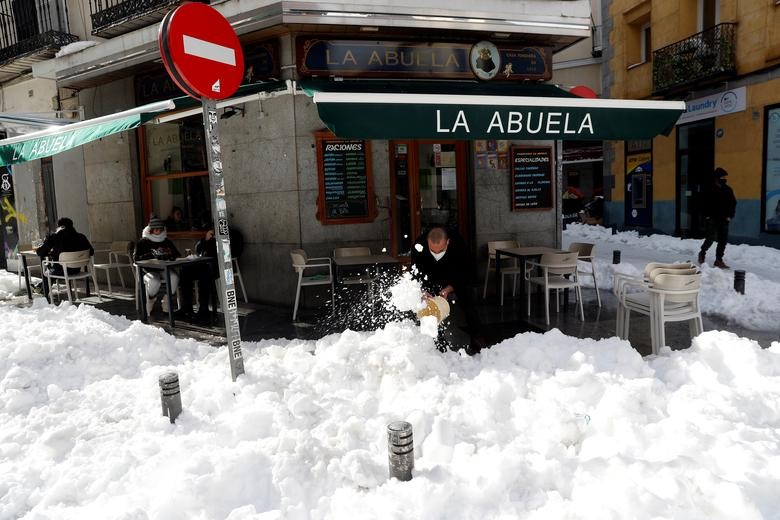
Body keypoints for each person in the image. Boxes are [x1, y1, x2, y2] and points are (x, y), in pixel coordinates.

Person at [410, 226, 486, 355]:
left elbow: (464, 271)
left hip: (454, 274)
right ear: (427, 242)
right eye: (433, 251)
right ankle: (437, 342)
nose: (436, 254)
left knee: (469, 303)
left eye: (440, 250)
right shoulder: (419, 246)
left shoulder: (459, 244)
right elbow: (416, 271)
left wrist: (450, 288)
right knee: (429, 308)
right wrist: (422, 290)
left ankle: (477, 336)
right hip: (430, 276)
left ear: (448, 242)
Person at [36, 217, 94, 300]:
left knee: (49, 271)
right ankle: (40, 287)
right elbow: (91, 252)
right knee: (52, 269)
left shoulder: (55, 237)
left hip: (61, 270)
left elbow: (40, 252)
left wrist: (47, 241)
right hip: (76, 269)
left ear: (60, 227)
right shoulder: (81, 237)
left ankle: (44, 294)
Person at [133, 215, 181, 316]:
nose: (158, 232)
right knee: (154, 281)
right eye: (155, 230)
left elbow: (177, 254)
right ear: (150, 230)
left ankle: (166, 301)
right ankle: (151, 298)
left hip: (164, 268)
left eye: (160, 229)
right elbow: (136, 258)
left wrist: (169, 255)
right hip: (148, 270)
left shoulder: (166, 240)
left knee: (174, 277)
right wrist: (151, 255)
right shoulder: (143, 242)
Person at [698, 167, 737, 269]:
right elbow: (703, 203)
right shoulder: (709, 189)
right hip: (712, 218)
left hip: (724, 219)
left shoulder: (728, 190)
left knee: (723, 240)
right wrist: (706, 216)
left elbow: (733, 203)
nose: (724, 179)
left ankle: (718, 260)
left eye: (725, 177)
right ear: (717, 178)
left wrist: (730, 215)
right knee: (710, 238)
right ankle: (702, 253)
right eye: (722, 177)